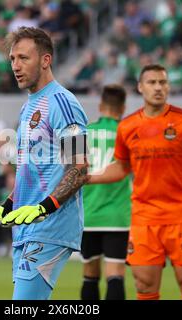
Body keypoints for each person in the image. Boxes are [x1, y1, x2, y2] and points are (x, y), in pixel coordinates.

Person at [0, 27, 88, 300]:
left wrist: (44, 208)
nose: (15, 66)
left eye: (23, 58)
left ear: (45, 60)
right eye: (12, 59)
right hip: (25, 227)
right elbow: (31, 173)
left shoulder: (63, 103)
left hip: (50, 227)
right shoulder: (28, 106)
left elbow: (79, 168)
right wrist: (4, 209)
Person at [88, 64, 182, 300]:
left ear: (168, 86)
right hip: (144, 218)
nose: (158, 87)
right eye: (152, 82)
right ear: (140, 87)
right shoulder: (127, 127)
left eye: (162, 82)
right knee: (144, 286)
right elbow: (122, 167)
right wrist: (88, 178)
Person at [81, 85, 131, 300]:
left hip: (87, 215)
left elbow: (67, 169)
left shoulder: (83, 132)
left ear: (101, 106)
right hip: (117, 216)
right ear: (123, 108)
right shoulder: (128, 133)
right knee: (116, 275)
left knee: (89, 274)